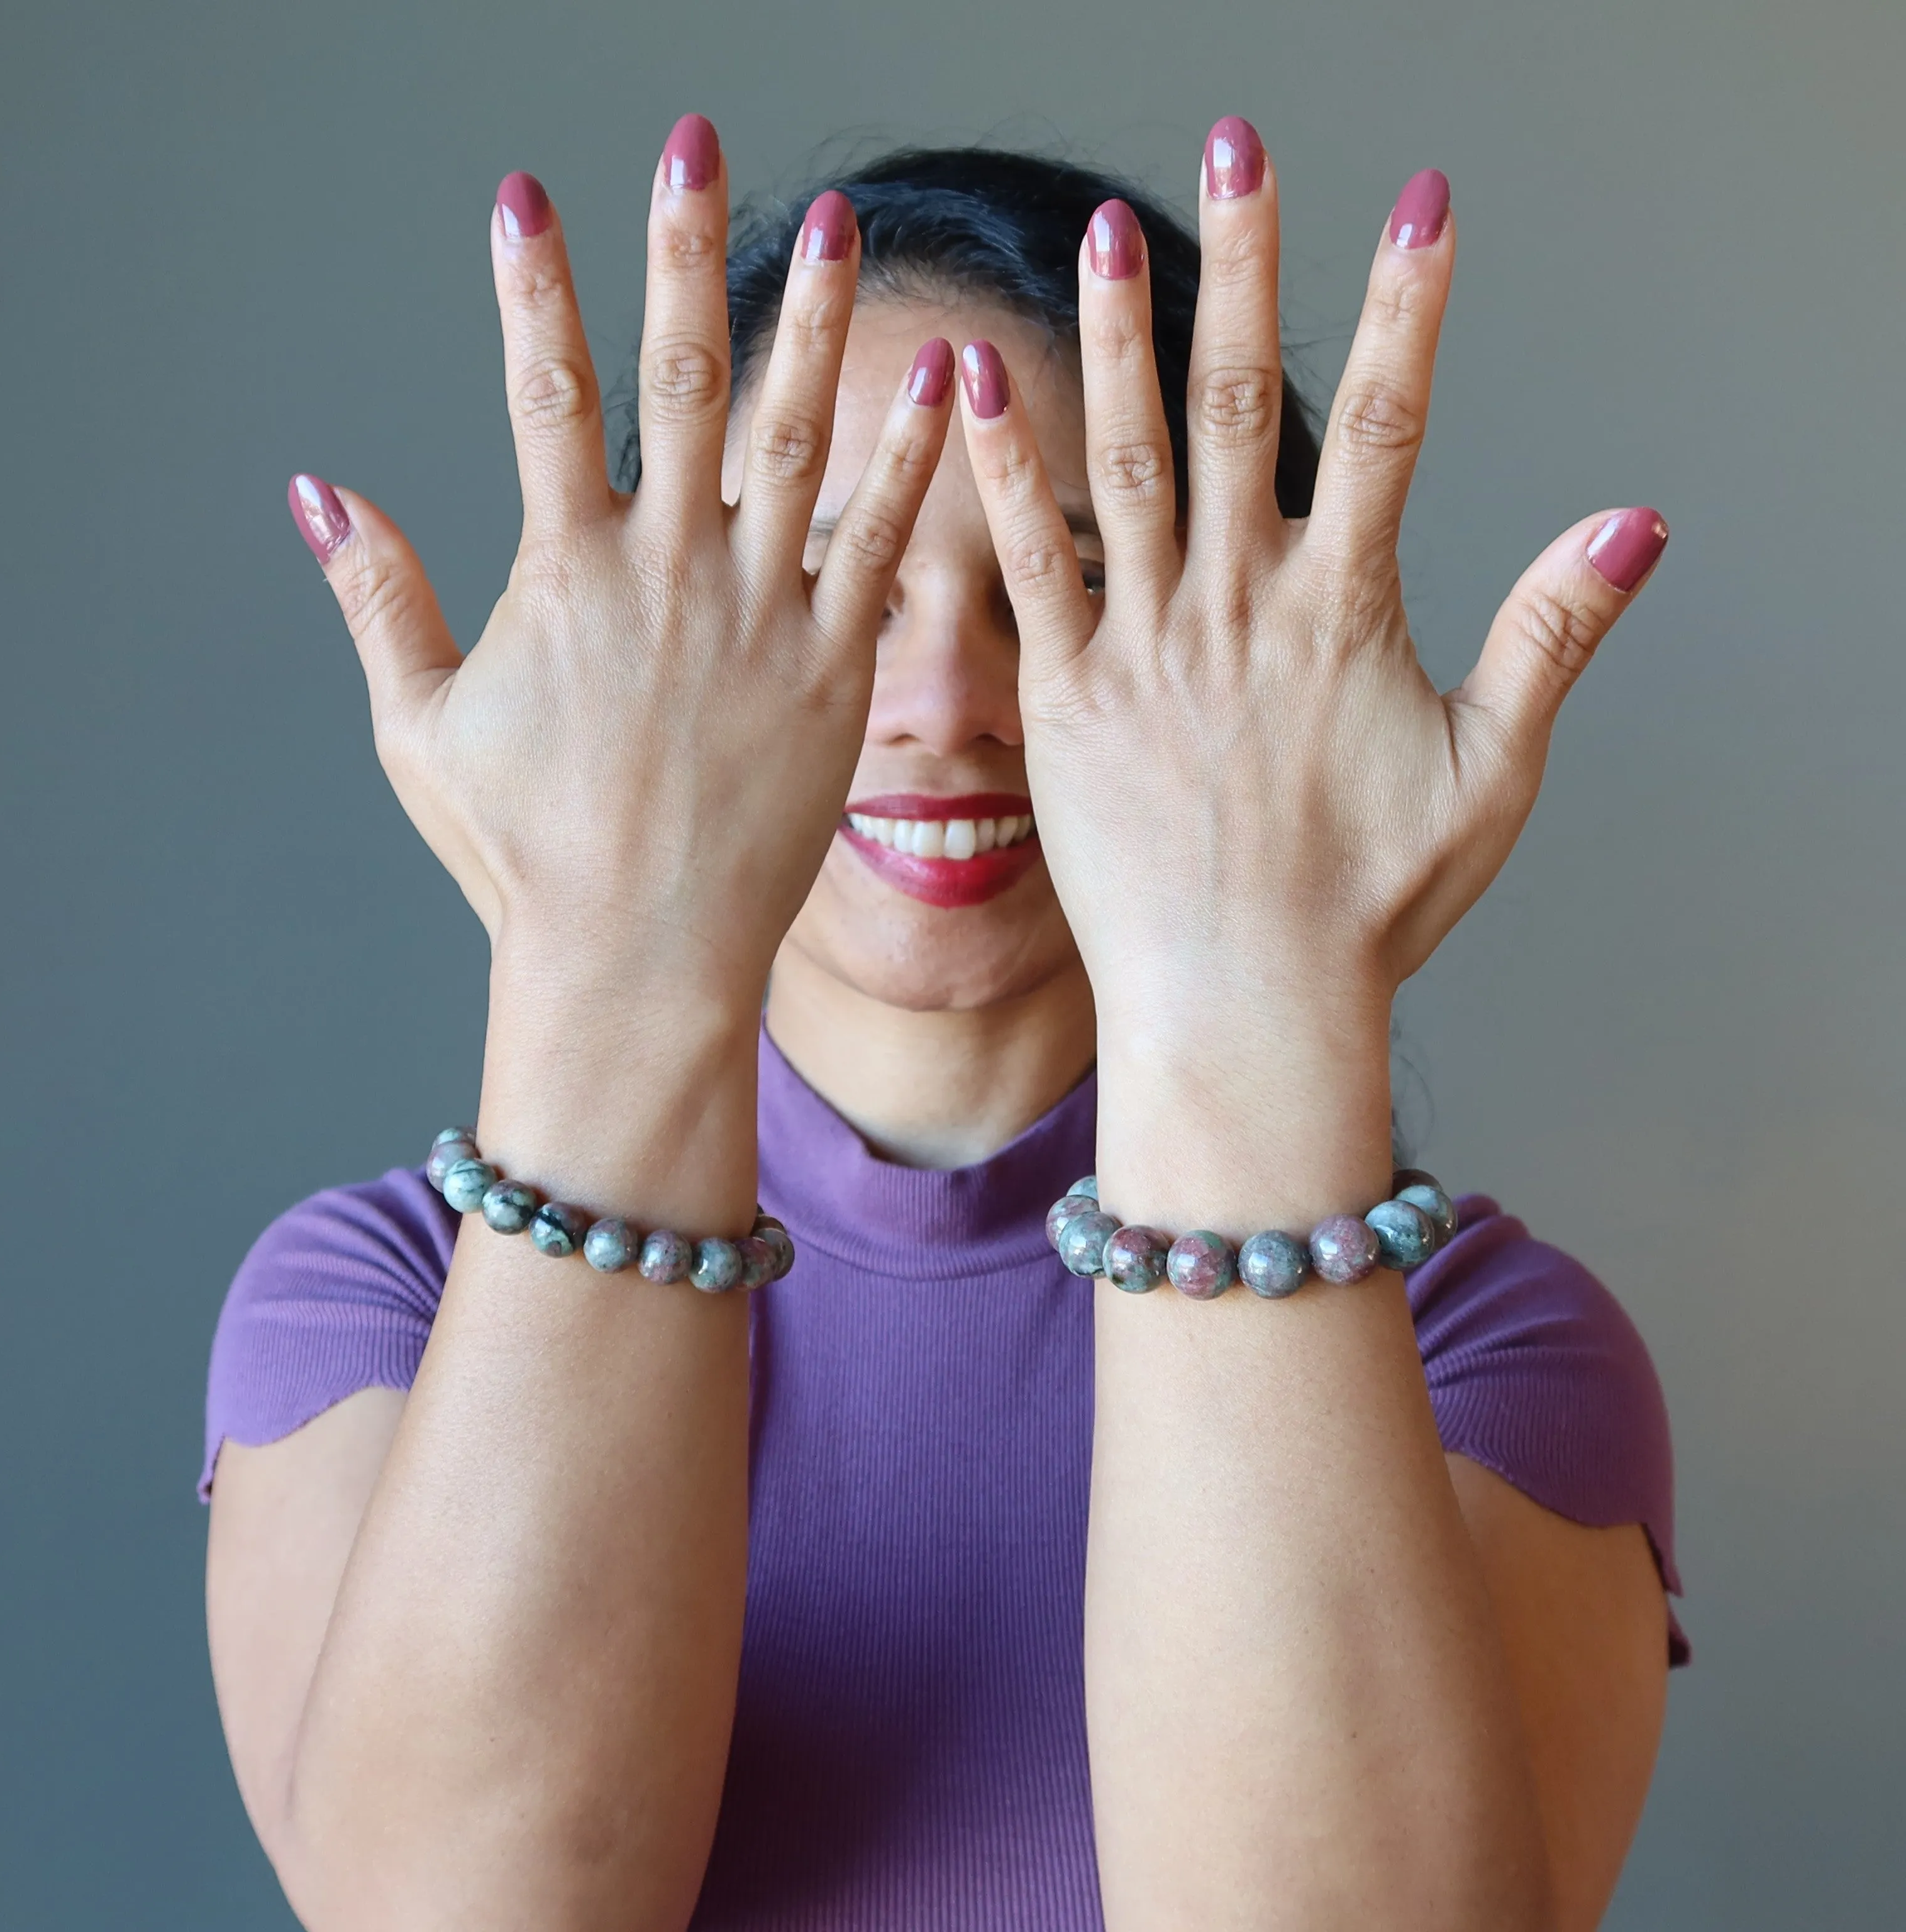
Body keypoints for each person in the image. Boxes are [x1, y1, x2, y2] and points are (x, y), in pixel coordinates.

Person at [206, 113, 1683, 1931]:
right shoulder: (378, 1310)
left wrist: (1257, 984)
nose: (940, 699)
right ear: (646, 653)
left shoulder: (1488, 1353)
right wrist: (611, 938)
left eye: (1063, 584)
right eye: (831, 584)